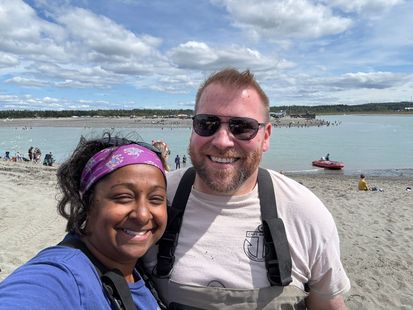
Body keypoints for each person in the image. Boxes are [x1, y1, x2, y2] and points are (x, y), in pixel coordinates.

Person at [143, 68, 350, 309]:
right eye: (207, 123)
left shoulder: (305, 212)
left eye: (242, 127)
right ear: (192, 128)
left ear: (266, 136)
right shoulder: (153, 198)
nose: (222, 140)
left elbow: (327, 303)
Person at [0, 133, 167, 309]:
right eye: (123, 197)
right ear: (86, 203)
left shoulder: (138, 268)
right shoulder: (64, 275)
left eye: (156, 199)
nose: (142, 215)